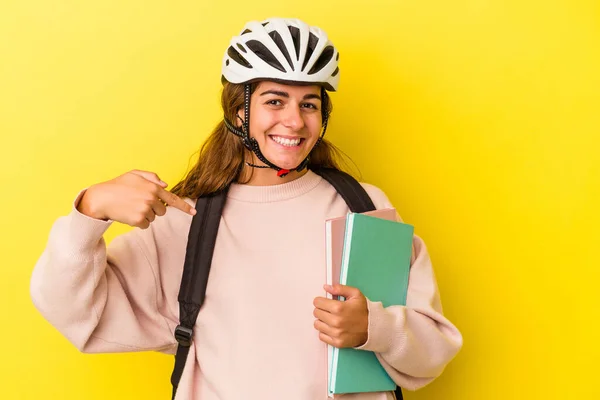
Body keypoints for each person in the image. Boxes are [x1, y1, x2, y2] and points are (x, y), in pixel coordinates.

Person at [30, 17, 462, 400]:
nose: (294, 121)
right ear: (239, 113)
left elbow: (433, 351)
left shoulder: (362, 207)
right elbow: (74, 313)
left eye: (308, 104)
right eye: (275, 100)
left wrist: (375, 328)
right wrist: (90, 210)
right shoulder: (187, 221)